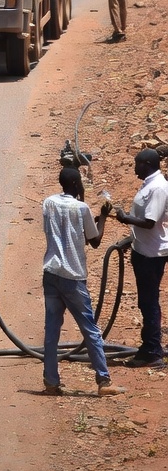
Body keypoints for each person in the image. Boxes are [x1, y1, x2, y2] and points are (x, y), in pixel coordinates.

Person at [41, 166, 123, 396]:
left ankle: (51, 381)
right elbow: (94, 241)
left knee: (51, 331)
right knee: (90, 330)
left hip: (51, 274)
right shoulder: (82, 208)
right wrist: (103, 218)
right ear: (77, 185)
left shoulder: (48, 203)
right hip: (73, 277)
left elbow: (59, 232)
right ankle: (104, 381)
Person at [114, 148, 168, 369]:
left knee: (149, 302)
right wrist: (130, 239)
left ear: (146, 164)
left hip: (151, 253)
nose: (134, 167)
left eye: (136, 163)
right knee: (146, 301)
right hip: (144, 249)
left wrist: (126, 218)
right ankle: (149, 347)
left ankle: (152, 351)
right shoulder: (150, 184)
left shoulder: (157, 188)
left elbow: (150, 222)